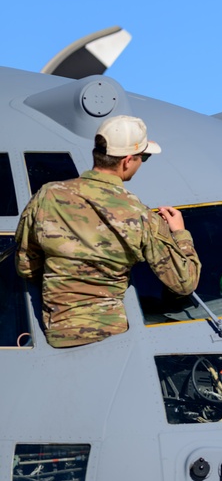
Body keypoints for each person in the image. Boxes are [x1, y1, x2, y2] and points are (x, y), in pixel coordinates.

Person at [15, 115, 201, 348]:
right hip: (112, 338)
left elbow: (25, 265)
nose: (142, 162)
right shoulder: (141, 215)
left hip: (57, 332)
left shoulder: (47, 195)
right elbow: (184, 283)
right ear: (127, 161)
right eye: (143, 157)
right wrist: (180, 234)